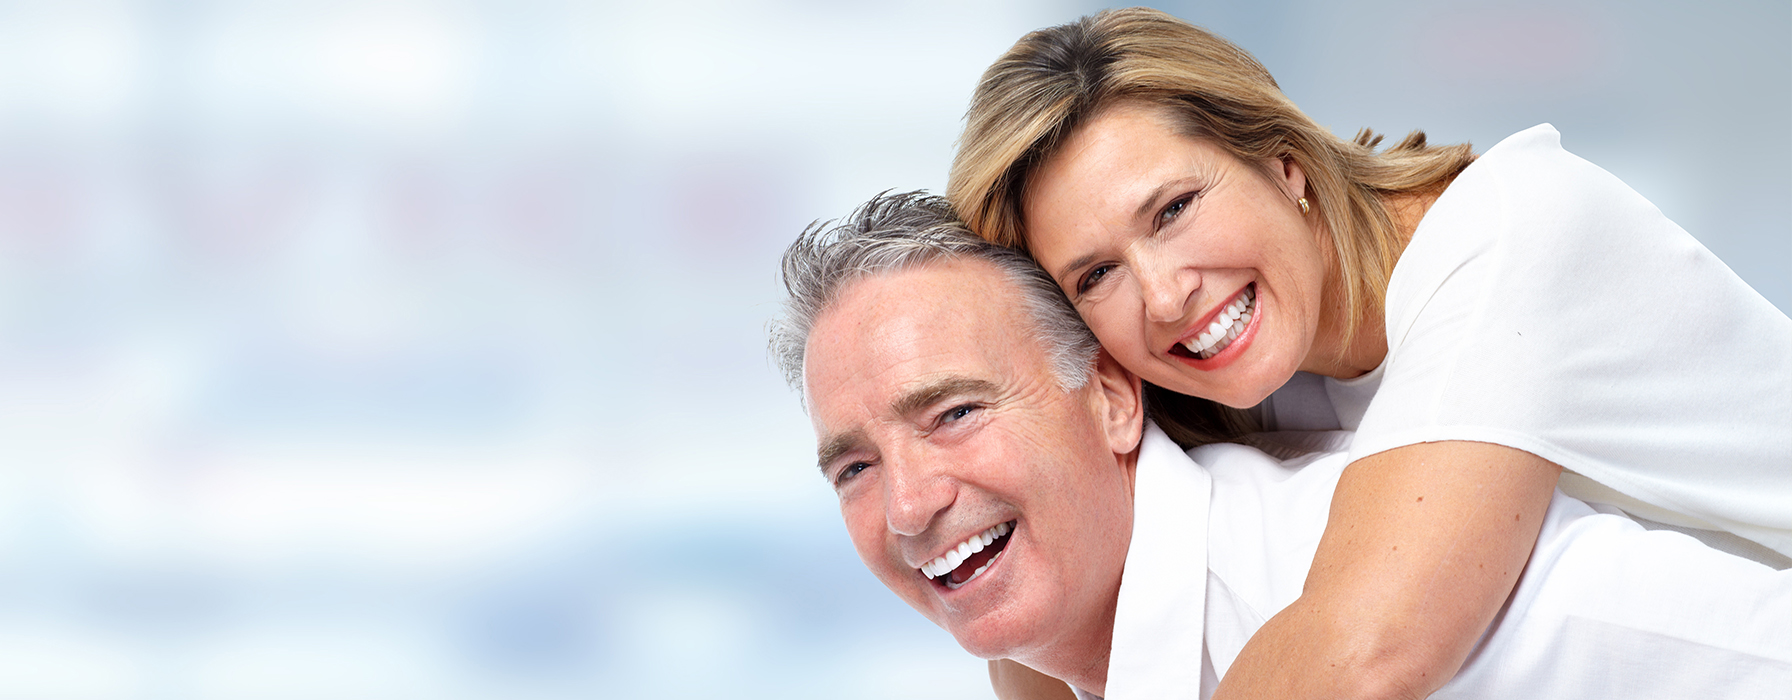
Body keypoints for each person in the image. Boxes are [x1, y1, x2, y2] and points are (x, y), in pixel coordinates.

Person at [944, 9, 1792, 699]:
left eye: (1172, 210)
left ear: (1283, 163)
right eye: (1096, 275)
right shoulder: (1229, 357)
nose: (1165, 296)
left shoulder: (1513, 234)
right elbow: (1051, 613)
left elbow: (1367, 655)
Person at [768, 191, 1792, 699]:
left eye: (953, 414)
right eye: (854, 465)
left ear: (1116, 402)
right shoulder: (1113, 642)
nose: (906, 506)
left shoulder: (1371, 590)